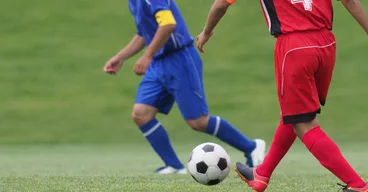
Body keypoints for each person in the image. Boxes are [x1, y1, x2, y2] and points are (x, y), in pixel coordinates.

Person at [196, 0, 368, 192]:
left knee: (304, 123)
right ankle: (262, 175)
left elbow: (221, 4)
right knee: (295, 113)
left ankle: (357, 185)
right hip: (326, 44)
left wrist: (206, 32)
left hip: (294, 48)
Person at [103, 0, 266, 175]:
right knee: (141, 114)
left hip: (179, 59)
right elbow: (145, 34)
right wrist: (121, 57)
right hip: (159, 63)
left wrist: (147, 56)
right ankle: (174, 166)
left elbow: (168, 24)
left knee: (198, 122)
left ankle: (252, 146)